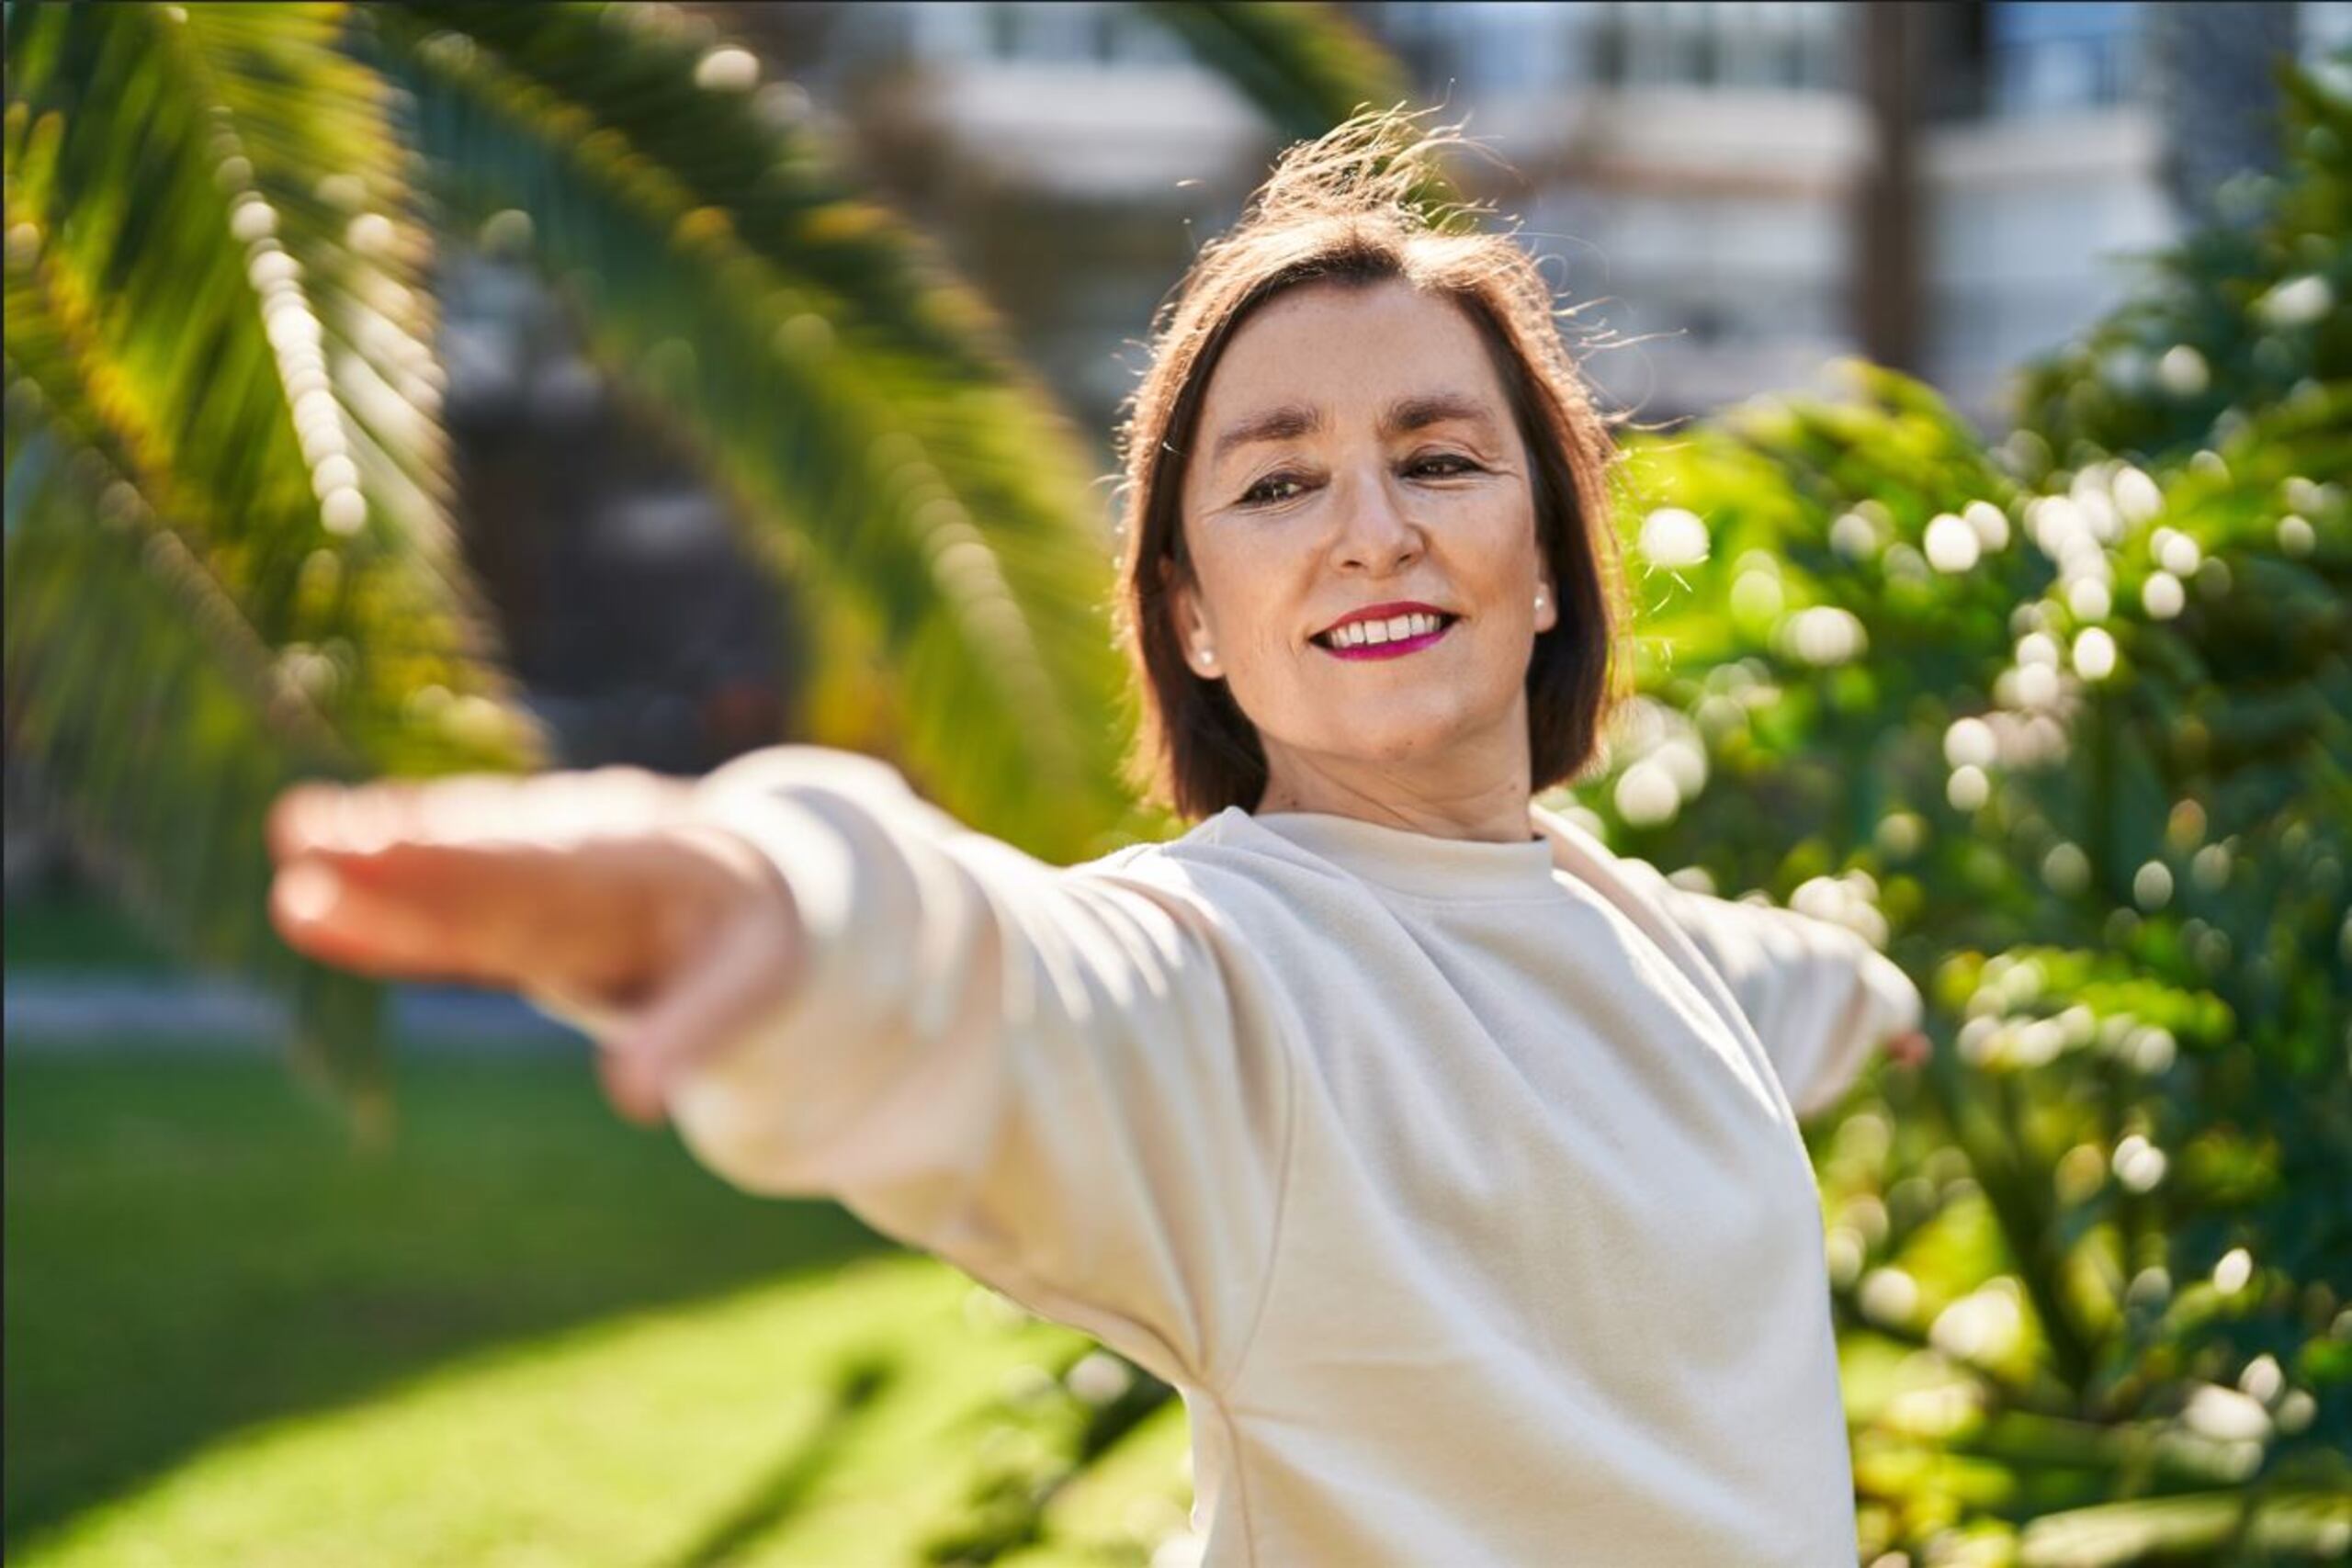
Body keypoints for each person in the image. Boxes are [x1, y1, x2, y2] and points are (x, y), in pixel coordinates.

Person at [267, 112, 1929, 1566]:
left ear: (1553, 563)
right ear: (1194, 619)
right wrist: (773, 901)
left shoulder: (1631, 928)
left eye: (1438, 457)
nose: (1374, 530)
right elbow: (1011, 984)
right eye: (1279, 485)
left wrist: (1882, 999)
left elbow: (1775, 986)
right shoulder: (1239, 989)